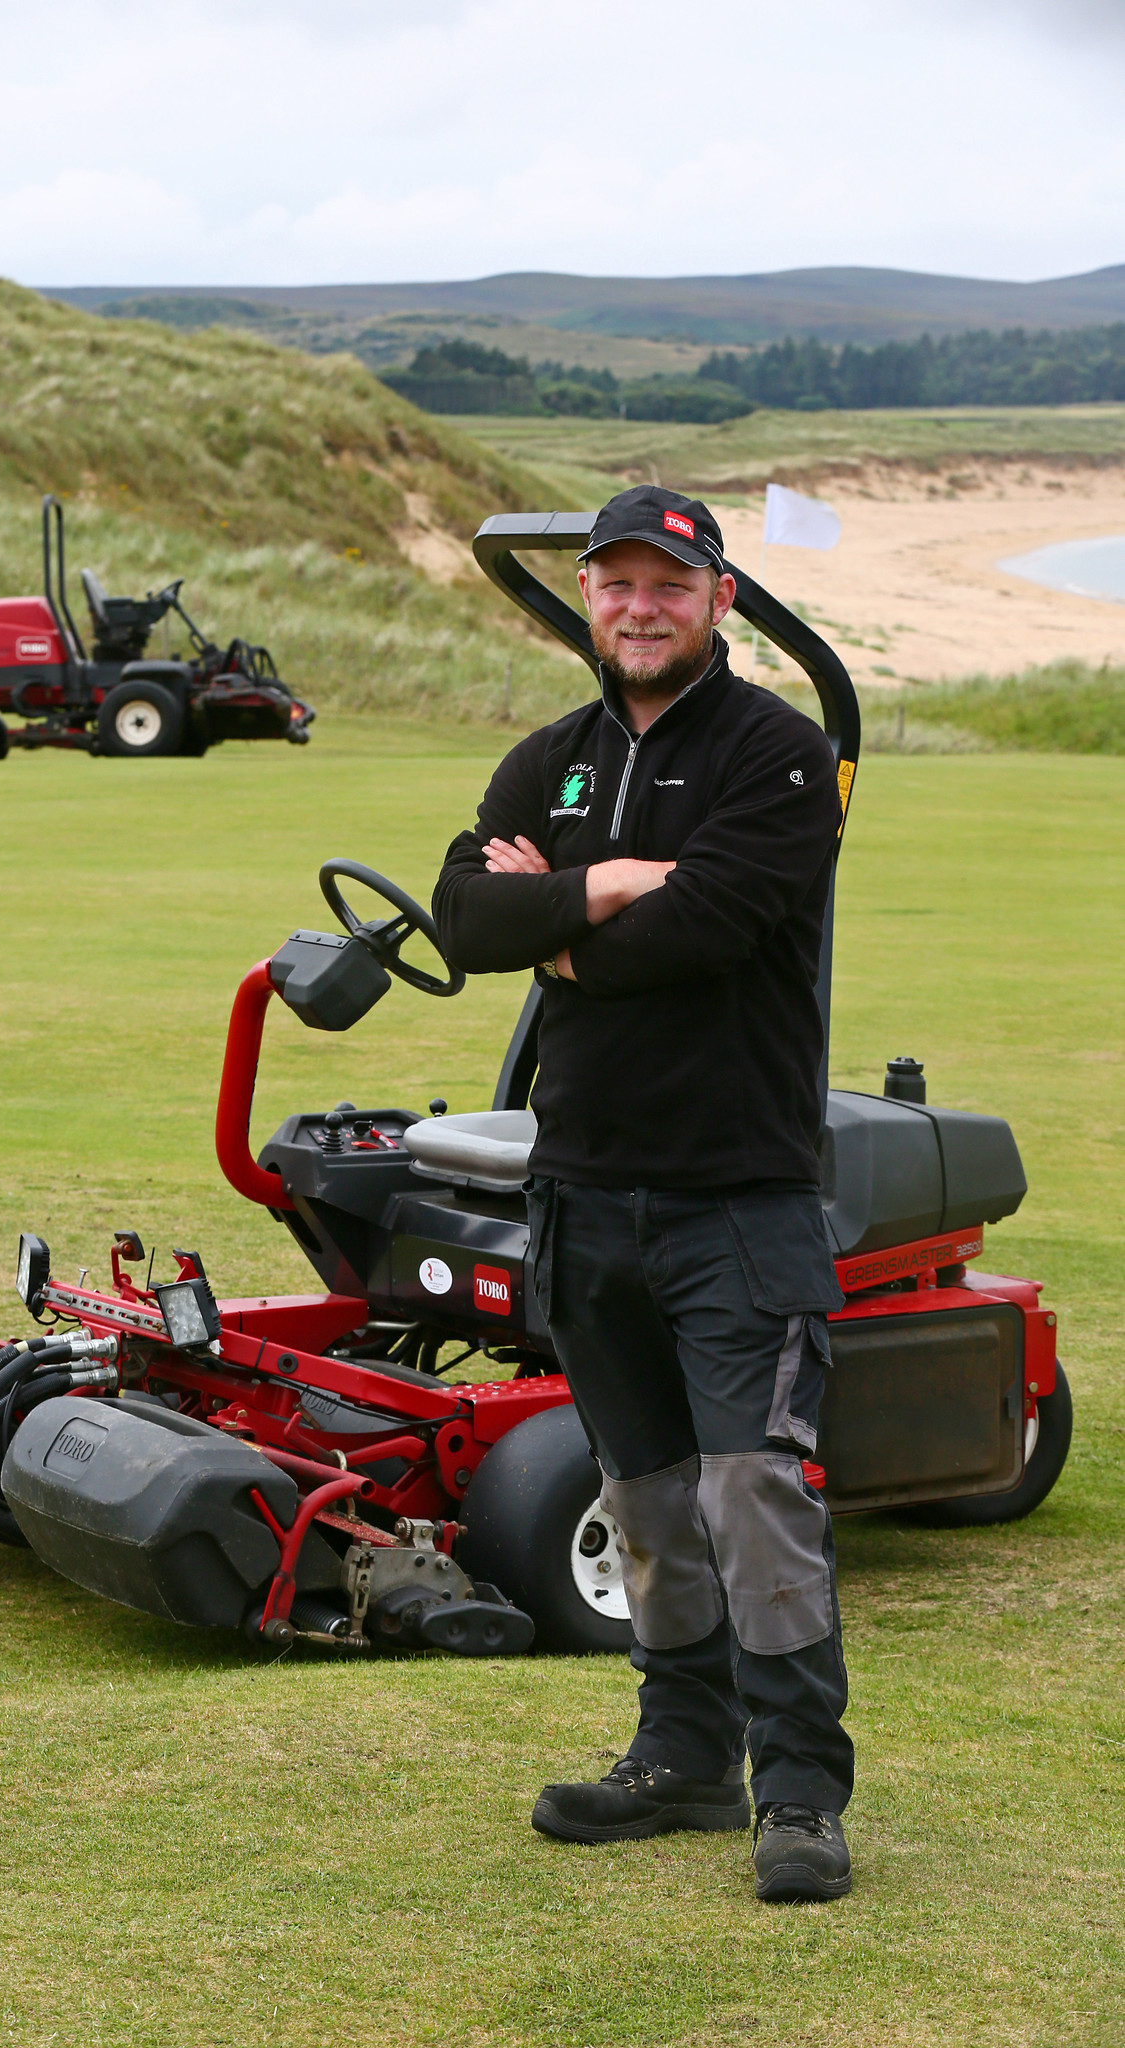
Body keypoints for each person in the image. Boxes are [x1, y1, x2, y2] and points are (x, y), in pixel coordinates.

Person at [432, 485, 854, 1903]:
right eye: (614, 583)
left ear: (716, 597)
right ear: (592, 601)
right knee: (649, 1499)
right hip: (585, 1194)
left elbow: (714, 928)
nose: (637, 605)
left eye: (666, 583)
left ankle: (795, 1793)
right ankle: (680, 1761)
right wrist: (606, 879)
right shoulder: (547, 758)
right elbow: (465, 917)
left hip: (735, 1198)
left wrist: (557, 920)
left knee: (754, 1496)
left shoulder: (781, 759)